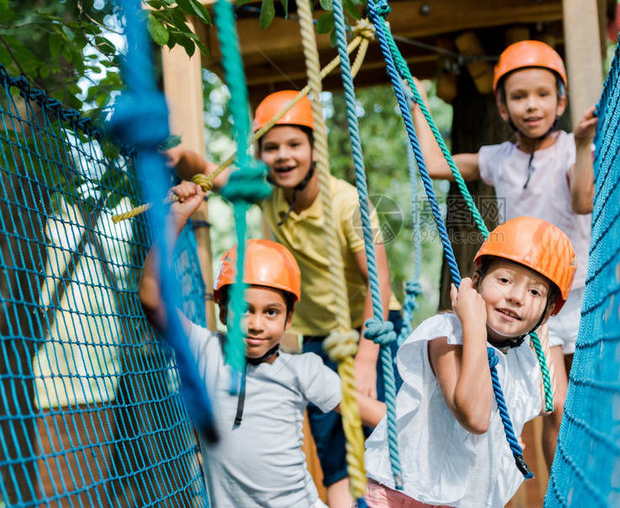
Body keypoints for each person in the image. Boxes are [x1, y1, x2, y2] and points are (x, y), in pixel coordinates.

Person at [165, 91, 402, 508]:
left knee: (384, 441)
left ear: (315, 147)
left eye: (294, 144)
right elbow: (208, 172)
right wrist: (181, 155)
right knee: (336, 456)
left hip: (372, 329)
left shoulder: (347, 203)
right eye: (271, 146)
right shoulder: (268, 192)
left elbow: (378, 279)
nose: (283, 155)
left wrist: (366, 359)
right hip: (319, 336)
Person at [138, 182, 385, 507]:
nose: (256, 323)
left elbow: (375, 415)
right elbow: (152, 295)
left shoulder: (303, 370)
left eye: (271, 312)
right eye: (243, 309)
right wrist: (177, 217)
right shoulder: (205, 350)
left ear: (288, 317)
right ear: (222, 308)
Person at [413, 40, 596, 467]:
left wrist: (585, 144)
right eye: (519, 97)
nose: (531, 106)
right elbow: (433, 162)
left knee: (592, 406)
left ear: (560, 100)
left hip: (584, 295)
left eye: (542, 95)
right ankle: (560, 495)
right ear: (502, 107)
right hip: (539, 305)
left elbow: (583, 200)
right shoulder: (500, 158)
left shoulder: (572, 148)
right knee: (557, 408)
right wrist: (418, 103)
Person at [363, 216, 576, 507]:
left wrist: (542, 329)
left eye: (534, 292)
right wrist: (473, 323)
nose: (516, 297)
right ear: (475, 284)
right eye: (504, 280)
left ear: (549, 310)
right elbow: (474, 417)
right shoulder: (447, 334)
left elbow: (540, 402)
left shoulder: (522, 360)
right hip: (404, 497)